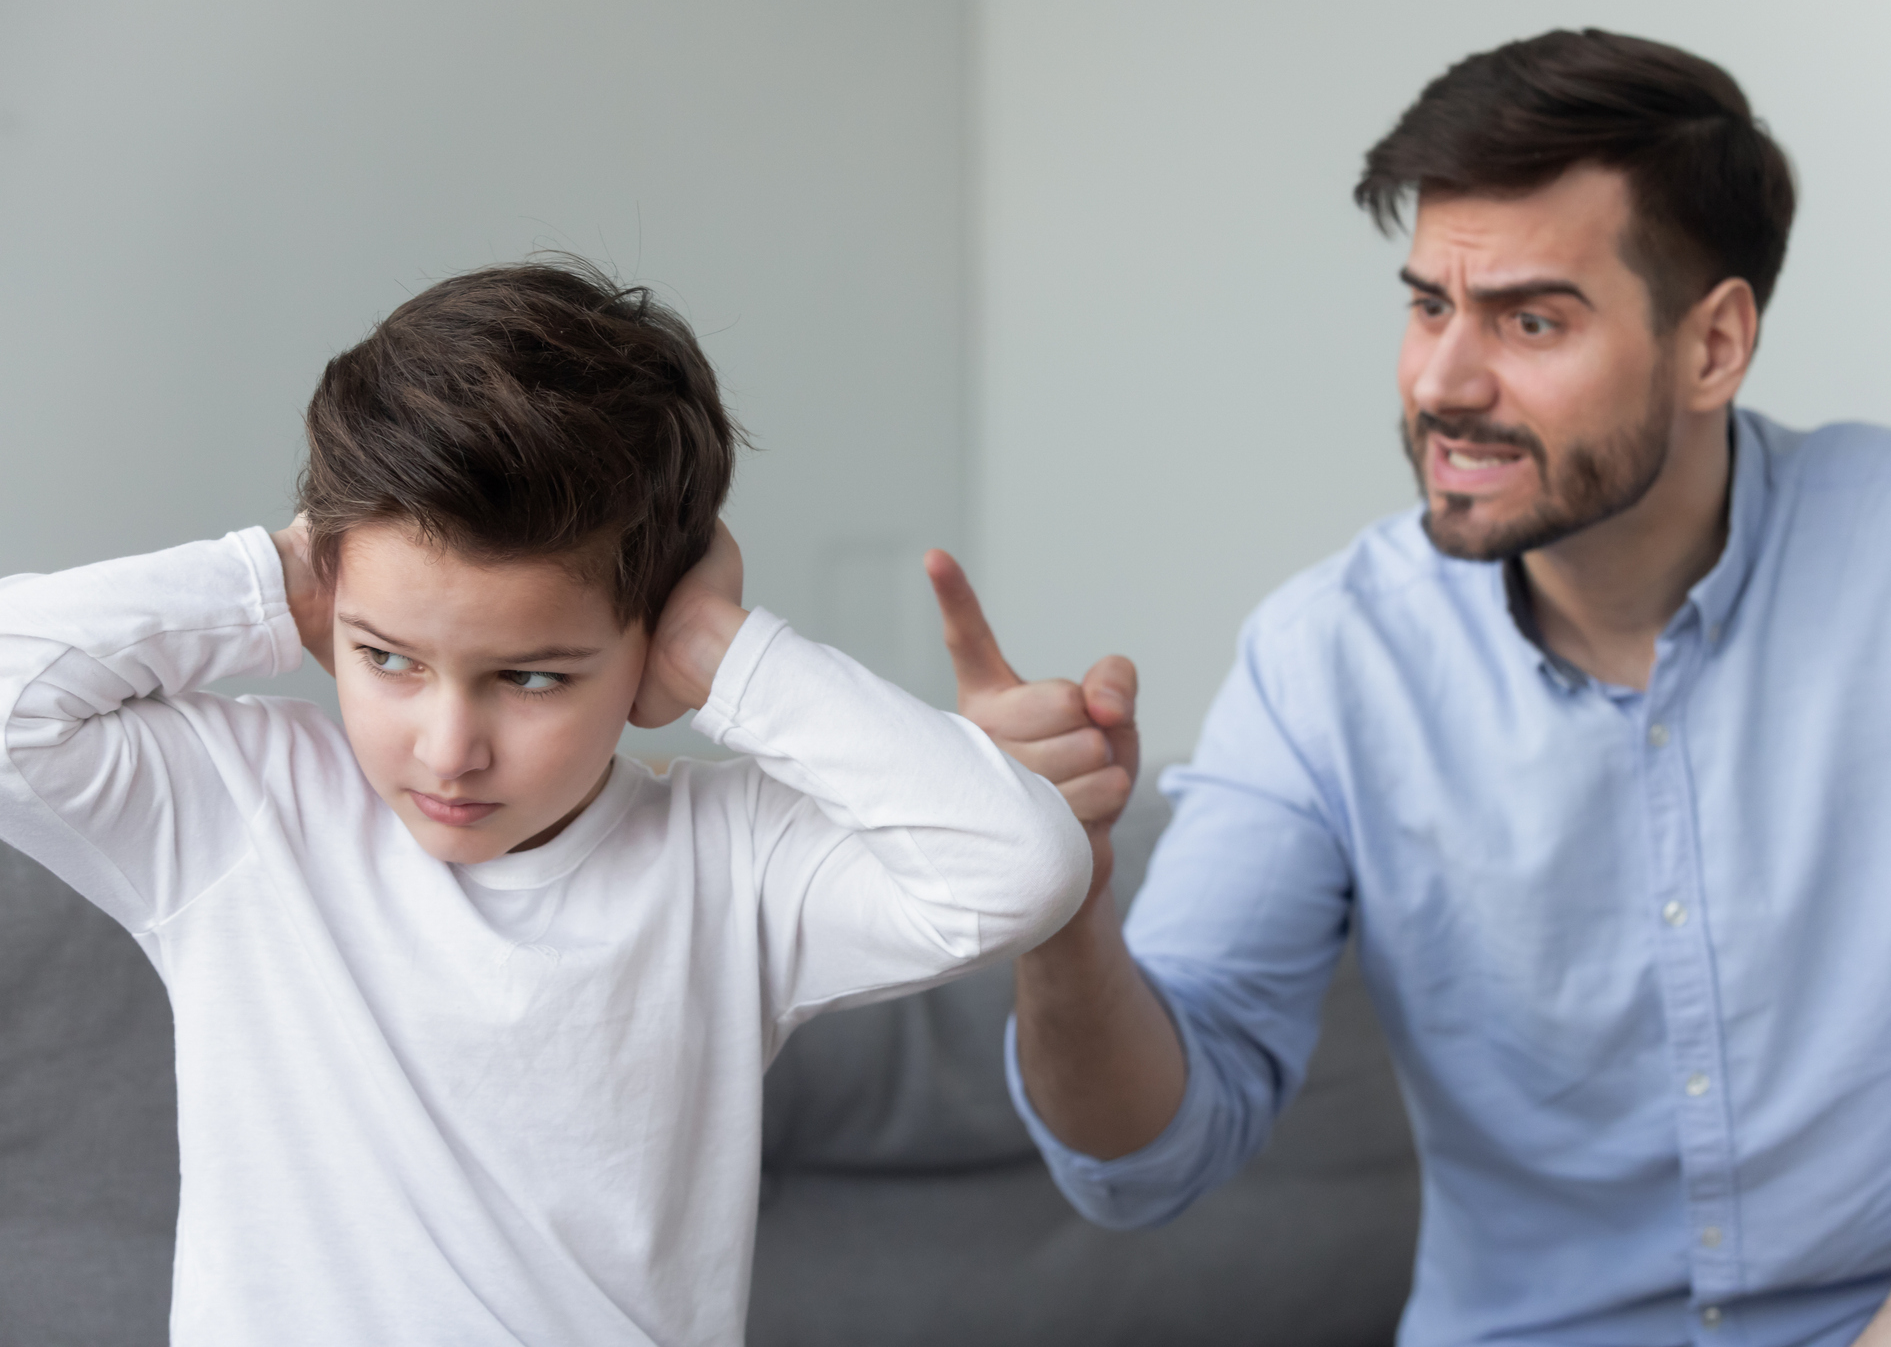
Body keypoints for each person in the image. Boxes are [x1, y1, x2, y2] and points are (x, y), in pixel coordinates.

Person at [926, 30, 1891, 1346]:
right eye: (1429, 304)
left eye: (1530, 319)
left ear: (1714, 343)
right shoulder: (1330, 654)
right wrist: (1067, 909)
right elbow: (1150, 1158)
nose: (1442, 380)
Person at [0, 259, 1090, 1347]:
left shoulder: (730, 866)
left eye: (531, 678)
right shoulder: (241, 814)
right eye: (388, 658)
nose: (449, 748)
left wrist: (721, 652)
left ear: (648, 648)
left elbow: (1020, 866)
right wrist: (279, 573)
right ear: (333, 608)